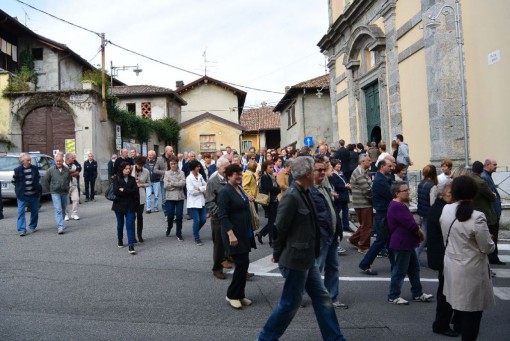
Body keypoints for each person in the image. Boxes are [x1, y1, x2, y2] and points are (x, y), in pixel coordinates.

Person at [258, 156, 345, 341]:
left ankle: (335, 338)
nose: (319, 173)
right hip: (295, 259)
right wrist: (277, 255)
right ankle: (265, 338)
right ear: (307, 174)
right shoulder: (291, 196)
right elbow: (278, 229)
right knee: (290, 303)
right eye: (316, 170)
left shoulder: (306, 191)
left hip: (308, 259)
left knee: (322, 298)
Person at [440, 175, 495, 340]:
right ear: (474, 193)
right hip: (472, 269)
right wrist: (491, 239)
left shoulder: (446, 209)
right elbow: (487, 247)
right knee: (473, 313)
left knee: (459, 306)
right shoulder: (477, 216)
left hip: (452, 265)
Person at [309, 158, 348, 309]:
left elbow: (331, 211)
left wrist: (338, 230)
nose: (323, 173)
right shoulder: (309, 191)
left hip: (331, 234)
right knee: (317, 268)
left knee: (333, 267)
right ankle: (317, 299)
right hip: (321, 236)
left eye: (324, 170)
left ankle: (332, 298)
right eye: (319, 170)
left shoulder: (324, 189)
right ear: (311, 173)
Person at [387, 181, 433, 305]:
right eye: (405, 190)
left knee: (414, 269)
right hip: (402, 242)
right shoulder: (397, 206)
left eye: (408, 189)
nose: (408, 192)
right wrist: (420, 232)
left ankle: (417, 293)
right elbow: (410, 224)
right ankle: (393, 295)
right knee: (400, 270)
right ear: (397, 193)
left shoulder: (399, 204)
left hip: (407, 242)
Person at [217, 164, 256, 309]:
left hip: (244, 232)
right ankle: (232, 295)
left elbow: (243, 204)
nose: (239, 176)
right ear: (228, 176)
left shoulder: (239, 189)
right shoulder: (225, 192)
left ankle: (240, 294)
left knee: (244, 264)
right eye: (236, 174)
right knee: (241, 264)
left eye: (240, 173)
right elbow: (223, 215)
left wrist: (248, 198)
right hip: (233, 234)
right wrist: (231, 234)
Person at [427, 180, 459, 337]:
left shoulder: (440, 207)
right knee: (446, 293)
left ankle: (451, 321)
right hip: (444, 257)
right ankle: (441, 324)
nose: (453, 195)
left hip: (442, 255)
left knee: (448, 291)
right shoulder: (441, 209)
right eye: (450, 192)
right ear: (441, 194)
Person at [359, 160, 393, 275]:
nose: (391, 168)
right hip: (382, 214)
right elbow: (391, 194)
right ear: (382, 167)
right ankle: (365, 264)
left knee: (388, 241)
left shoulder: (382, 179)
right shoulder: (380, 181)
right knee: (381, 241)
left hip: (384, 214)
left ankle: (396, 264)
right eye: (389, 166)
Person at [205, 157, 230, 279]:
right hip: (218, 218)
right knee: (219, 244)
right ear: (218, 168)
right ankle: (217, 268)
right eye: (225, 168)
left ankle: (241, 268)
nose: (227, 170)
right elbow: (209, 202)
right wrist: (221, 213)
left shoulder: (229, 178)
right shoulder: (212, 181)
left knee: (235, 242)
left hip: (231, 216)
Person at [349, 154, 373, 257]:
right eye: (368, 160)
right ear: (363, 161)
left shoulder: (362, 171)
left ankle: (353, 239)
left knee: (364, 225)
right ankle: (363, 247)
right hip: (363, 203)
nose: (370, 162)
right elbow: (367, 190)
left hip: (361, 202)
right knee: (367, 226)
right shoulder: (359, 172)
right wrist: (374, 199)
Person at [112, 162, 139, 254]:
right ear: (122, 169)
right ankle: (120, 240)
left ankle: (131, 246)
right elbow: (116, 191)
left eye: (129, 168)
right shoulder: (116, 178)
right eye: (126, 169)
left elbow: (135, 191)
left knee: (130, 225)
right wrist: (129, 191)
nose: (128, 170)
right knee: (120, 224)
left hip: (130, 205)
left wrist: (124, 190)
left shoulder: (132, 179)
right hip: (119, 205)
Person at [481, 158, 505, 265]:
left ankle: (494, 257)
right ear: (487, 165)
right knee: (492, 236)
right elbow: (490, 196)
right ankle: (492, 258)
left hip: (494, 213)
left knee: (494, 236)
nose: (496, 166)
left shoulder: (487, 176)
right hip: (491, 213)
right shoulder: (484, 177)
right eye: (494, 164)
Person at [13, 153, 42, 236]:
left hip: (34, 194)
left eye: (30, 160)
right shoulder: (17, 170)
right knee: (21, 212)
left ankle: (32, 226)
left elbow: (38, 179)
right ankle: (22, 230)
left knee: (34, 212)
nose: (29, 162)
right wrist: (19, 190)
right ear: (23, 161)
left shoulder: (35, 169)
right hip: (22, 195)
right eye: (27, 160)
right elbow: (14, 181)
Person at [44, 153, 70, 234]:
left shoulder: (67, 170)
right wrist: (52, 188)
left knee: (63, 209)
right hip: (55, 192)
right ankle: (60, 226)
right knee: (58, 209)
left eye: (60, 161)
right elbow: (46, 181)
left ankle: (60, 223)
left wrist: (66, 187)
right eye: (57, 161)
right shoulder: (50, 170)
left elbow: (68, 180)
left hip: (64, 192)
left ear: (63, 161)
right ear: (55, 161)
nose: (58, 162)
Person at [416, 164, 439, 258]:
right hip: (429, 213)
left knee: (424, 234)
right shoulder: (432, 186)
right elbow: (432, 203)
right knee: (425, 236)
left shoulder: (421, 184)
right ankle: (415, 255)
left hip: (422, 211)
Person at [256, 160, 280, 247]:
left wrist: (277, 189)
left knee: (274, 219)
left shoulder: (271, 176)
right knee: (272, 221)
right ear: (265, 168)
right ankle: (271, 240)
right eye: (270, 167)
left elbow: (277, 186)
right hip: (268, 201)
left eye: (272, 167)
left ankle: (261, 233)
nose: (272, 168)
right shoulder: (265, 177)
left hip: (274, 200)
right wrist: (277, 189)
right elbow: (269, 188)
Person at [163, 156, 186, 240]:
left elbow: (183, 183)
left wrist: (172, 183)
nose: (173, 165)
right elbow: (166, 186)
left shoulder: (182, 173)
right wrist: (177, 184)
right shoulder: (167, 173)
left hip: (179, 197)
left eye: (174, 164)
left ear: (177, 164)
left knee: (179, 216)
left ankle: (179, 233)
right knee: (170, 216)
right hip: (170, 197)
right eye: (171, 164)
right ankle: (169, 227)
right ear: (169, 164)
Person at [186, 159, 207, 245]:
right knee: (197, 221)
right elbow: (191, 192)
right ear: (193, 168)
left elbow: (206, 186)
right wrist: (202, 189)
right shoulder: (189, 178)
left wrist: (199, 188)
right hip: (193, 203)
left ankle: (195, 231)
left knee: (203, 220)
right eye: (198, 167)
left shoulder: (200, 176)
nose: (199, 168)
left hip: (201, 201)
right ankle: (196, 238)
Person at [329, 159, 351, 233]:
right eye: (337, 164)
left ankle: (346, 225)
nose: (339, 166)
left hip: (344, 195)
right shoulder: (333, 175)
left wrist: (347, 185)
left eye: (340, 164)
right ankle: (334, 225)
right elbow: (336, 185)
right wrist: (345, 186)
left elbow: (346, 181)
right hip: (339, 196)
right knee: (336, 212)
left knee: (345, 212)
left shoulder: (341, 173)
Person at [132, 156, 150, 243]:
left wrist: (142, 184)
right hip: (131, 196)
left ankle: (140, 235)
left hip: (141, 196)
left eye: (141, 165)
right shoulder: (130, 169)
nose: (140, 167)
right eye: (138, 165)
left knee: (140, 217)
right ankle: (133, 236)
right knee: (132, 217)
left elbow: (149, 183)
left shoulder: (146, 171)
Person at [154, 146, 174, 219]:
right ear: (166, 151)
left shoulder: (174, 158)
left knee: (173, 198)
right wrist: (165, 172)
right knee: (164, 199)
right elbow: (155, 170)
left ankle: (172, 214)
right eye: (171, 151)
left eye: (172, 151)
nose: (172, 152)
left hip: (173, 180)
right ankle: (166, 215)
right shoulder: (160, 159)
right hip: (164, 181)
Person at [64, 153, 80, 221]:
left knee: (76, 199)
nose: (74, 159)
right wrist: (71, 172)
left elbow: (77, 173)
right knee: (66, 201)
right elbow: (64, 174)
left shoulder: (74, 165)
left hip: (74, 184)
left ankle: (74, 214)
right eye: (72, 158)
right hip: (66, 185)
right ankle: (66, 214)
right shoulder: (63, 165)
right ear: (68, 159)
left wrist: (71, 172)